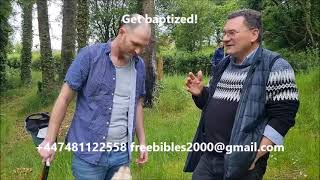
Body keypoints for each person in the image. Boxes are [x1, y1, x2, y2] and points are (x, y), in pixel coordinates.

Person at [184, 9, 299, 180]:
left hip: (242, 161)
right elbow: (213, 104)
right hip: (208, 158)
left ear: (254, 34)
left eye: (232, 33)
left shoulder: (276, 66)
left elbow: (283, 117)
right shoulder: (223, 65)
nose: (224, 38)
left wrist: (256, 155)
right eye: (224, 33)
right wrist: (201, 94)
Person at [38, 14, 151, 179]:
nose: (138, 51)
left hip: (121, 154)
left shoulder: (138, 65)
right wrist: (49, 140)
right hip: (88, 155)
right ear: (122, 32)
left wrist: (142, 143)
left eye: (143, 46)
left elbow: (137, 104)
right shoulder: (89, 56)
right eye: (135, 44)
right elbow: (64, 99)